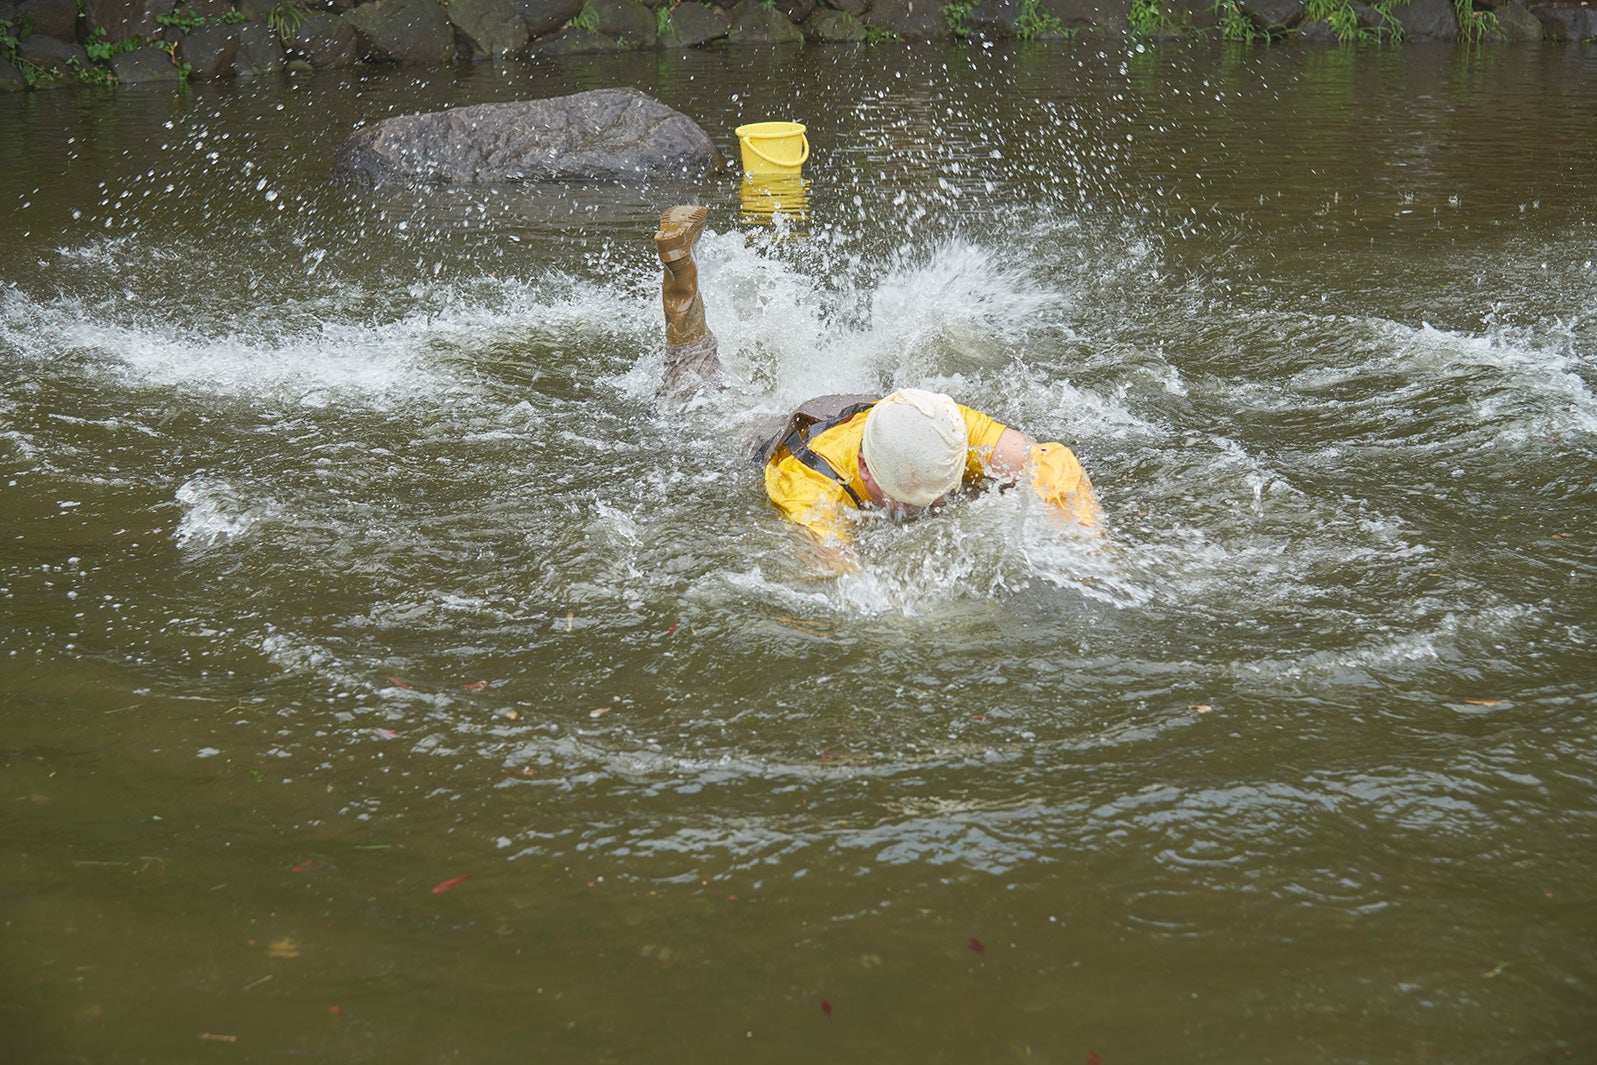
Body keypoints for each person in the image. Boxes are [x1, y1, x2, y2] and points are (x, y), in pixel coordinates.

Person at [653, 205, 1101, 542]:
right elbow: (832, 571)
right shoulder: (810, 485)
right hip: (774, 438)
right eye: (915, 499)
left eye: (941, 492)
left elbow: (1050, 460)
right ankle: (680, 272)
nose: (939, 504)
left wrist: (1092, 548)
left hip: (861, 409)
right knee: (695, 393)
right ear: (866, 470)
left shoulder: (939, 424)